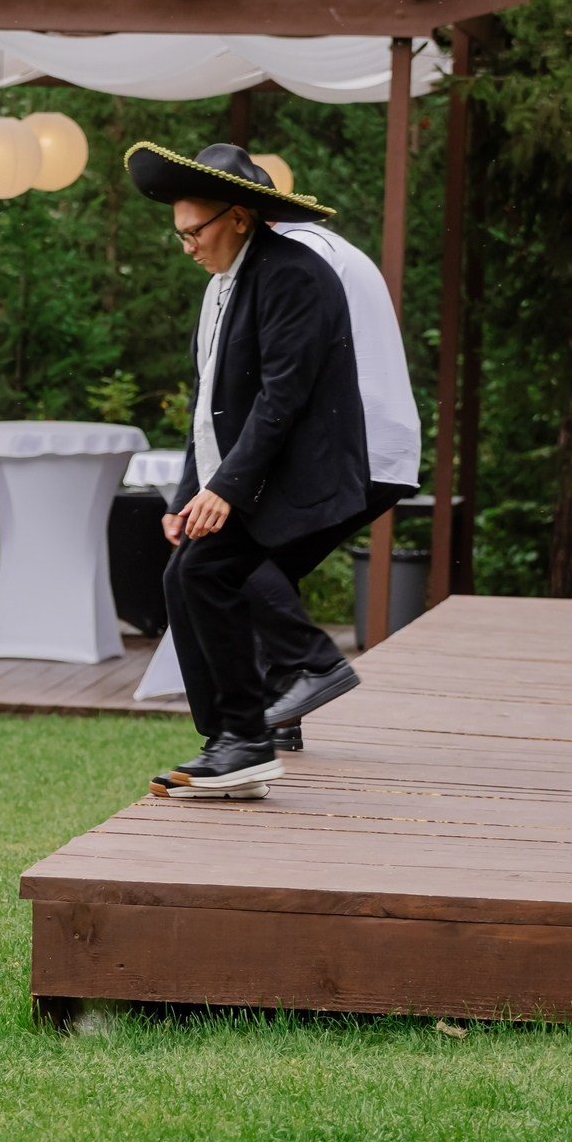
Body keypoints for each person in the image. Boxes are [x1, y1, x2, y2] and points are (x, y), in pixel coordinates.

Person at [125, 142, 369, 799]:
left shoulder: (293, 273)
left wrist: (227, 488)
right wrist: (187, 496)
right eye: (178, 235)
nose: (187, 247)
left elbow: (281, 396)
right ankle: (232, 745)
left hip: (299, 471)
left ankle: (305, 670)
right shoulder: (221, 286)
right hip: (246, 472)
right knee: (185, 575)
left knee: (210, 568)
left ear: (238, 216)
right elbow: (206, 407)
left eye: (195, 232)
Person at [250, 206, 422, 744]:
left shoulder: (300, 259)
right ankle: (281, 718)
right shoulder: (334, 249)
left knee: (235, 553)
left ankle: (315, 666)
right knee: (272, 563)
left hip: (352, 445)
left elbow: (289, 370)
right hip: (382, 446)